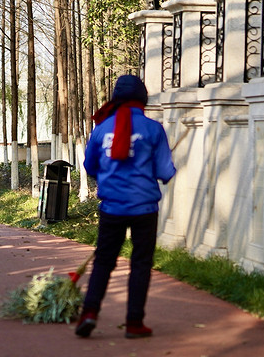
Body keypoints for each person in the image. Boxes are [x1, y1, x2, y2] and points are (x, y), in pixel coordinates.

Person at [75, 75, 176, 339]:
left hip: (112, 208)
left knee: (104, 262)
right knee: (141, 264)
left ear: (116, 98)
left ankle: (89, 313)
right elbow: (165, 172)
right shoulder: (154, 130)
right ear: (143, 98)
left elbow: (90, 167)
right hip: (144, 209)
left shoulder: (101, 129)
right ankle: (133, 323)